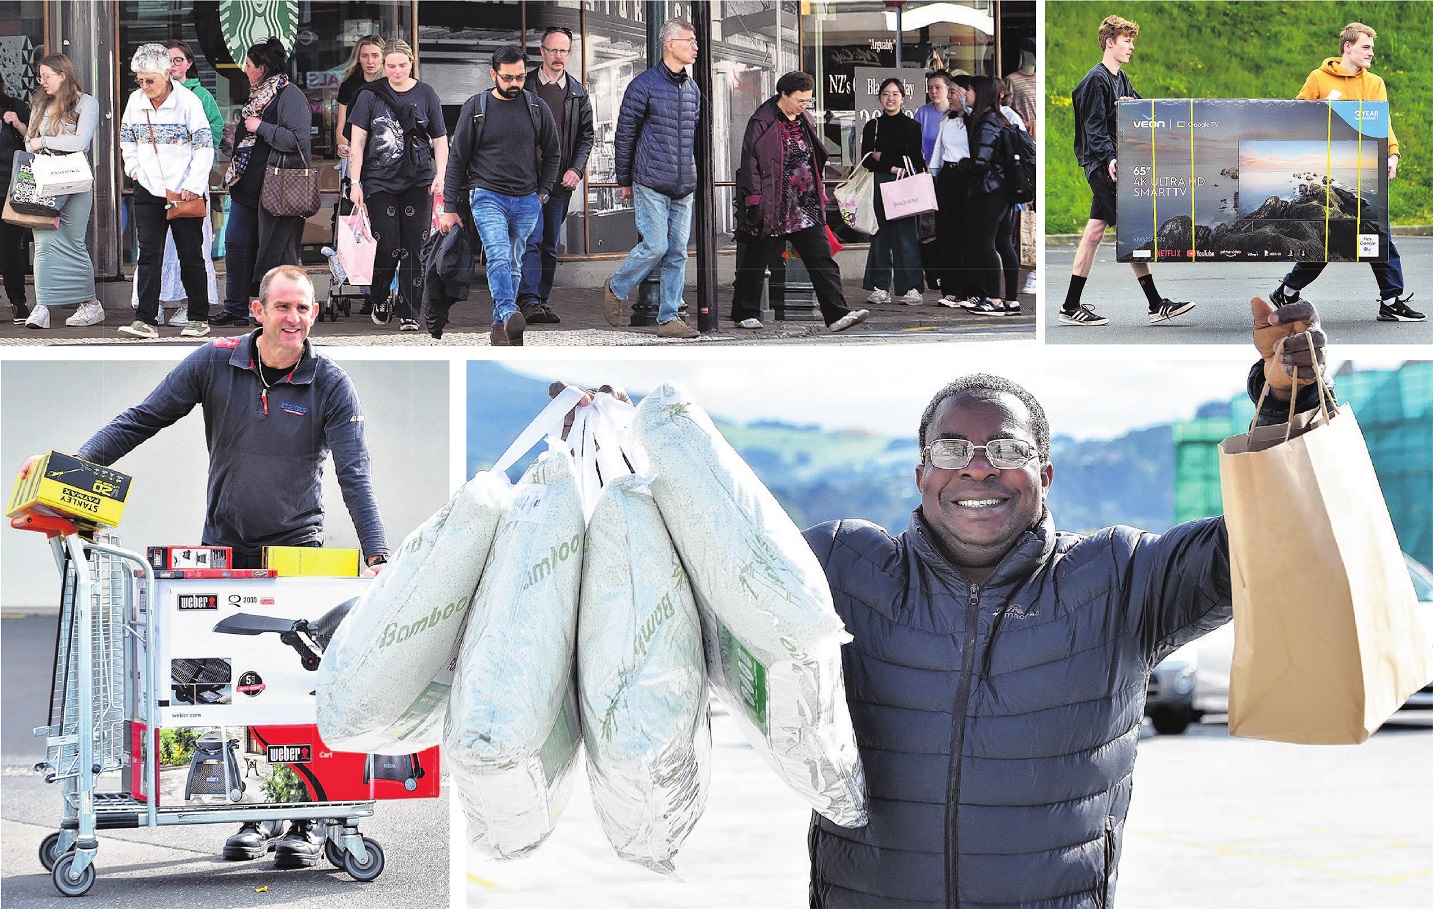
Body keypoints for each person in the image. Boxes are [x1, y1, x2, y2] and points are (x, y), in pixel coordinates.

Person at [804, 296, 1331, 907]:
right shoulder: (843, 567)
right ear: (921, 474)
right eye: (951, 451)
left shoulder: (1119, 577)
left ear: (1046, 476)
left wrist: (1291, 400)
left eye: (1007, 451)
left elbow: (1264, 536)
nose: (978, 471)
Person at [20, 264, 390, 868]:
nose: (293, 319)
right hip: (220, 543)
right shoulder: (214, 362)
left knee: (292, 684)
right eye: (283, 308)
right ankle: (252, 812)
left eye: (303, 309)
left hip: (295, 546)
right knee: (222, 685)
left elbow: (355, 472)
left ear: (313, 315)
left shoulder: (330, 383)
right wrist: (70, 471)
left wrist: (377, 554)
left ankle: (296, 823)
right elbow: (143, 418)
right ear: (258, 309)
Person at [1268, 22, 1422, 323]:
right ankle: (1288, 290)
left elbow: (1383, 123)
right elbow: (1296, 116)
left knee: (1376, 233)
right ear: (1347, 47)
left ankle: (1390, 300)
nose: (1371, 53)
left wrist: (1393, 153)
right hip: (1326, 170)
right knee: (1330, 238)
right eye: (1366, 47)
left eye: (1373, 48)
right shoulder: (1318, 78)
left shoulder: (1375, 83)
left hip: (1363, 165)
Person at [1062, 15, 1192, 327]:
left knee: (1094, 233)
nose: (1132, 46)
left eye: (1132, 41)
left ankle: (1070, 305)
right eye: (1127, 41)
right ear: (1110, 43)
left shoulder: (1120, 78)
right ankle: (1155, 304)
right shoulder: (1097, 80)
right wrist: (1110, 159)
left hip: (1113, 164)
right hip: (1103, 165)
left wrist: (1163, 117)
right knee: (1132, 230)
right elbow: (1094, 129)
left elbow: (1139, 109)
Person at [731, 71, 869, 334]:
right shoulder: (761, 121)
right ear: (783, 95)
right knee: (756, 260)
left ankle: (837, 314)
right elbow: (750, 165)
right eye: (800, 100)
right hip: (773, 204)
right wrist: (754, 200)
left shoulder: (805, 119)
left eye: (808, 101)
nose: (805, 106)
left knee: (821, 258)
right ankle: (744, 312)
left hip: (804, 204)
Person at [440, 45, 560, 348]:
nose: (514, 84)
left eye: (520, 77)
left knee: (515, 262)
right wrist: (450, 207)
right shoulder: (477, 107)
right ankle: (509, 311)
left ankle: (499, 327)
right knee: (498, 254)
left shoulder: (536, 107)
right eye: (507, 78)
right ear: (494, 74)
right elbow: (457, 159)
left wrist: (543, 193)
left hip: (527, 198)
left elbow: (553, 153)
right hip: (486, 195)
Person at [602, 17, 702, 340]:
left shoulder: (693, 90)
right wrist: (624, 179)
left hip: (684, 185)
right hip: (650, 181)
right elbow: (625, 134)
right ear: (671, 44)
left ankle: (669, 317)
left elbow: (692, 137)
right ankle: (616, 288)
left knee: (678, 252)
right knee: (656, 245)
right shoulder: (642, 86)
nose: (696, 47)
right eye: (691, 40)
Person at [348, 39, 449, 332]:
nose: (396, 71)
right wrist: (355, 182)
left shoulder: (426, 93)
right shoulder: (369, 95)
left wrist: (440, 175)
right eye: (390, 66)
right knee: (389, 245)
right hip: (379, 180)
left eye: (402, 65)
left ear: (412, 63)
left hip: (418, 179)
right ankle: (380, 296)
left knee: (414, 247)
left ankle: (409, 312)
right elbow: (358, 140)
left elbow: (440, 139)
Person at [212, 37, 312, 330]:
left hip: (277, 191)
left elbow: (297, 140)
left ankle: (269, 313)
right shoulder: (259, 95)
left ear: (263, 67)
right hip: (247, 188)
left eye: (249, 64)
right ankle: (234, 308)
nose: (244, 69)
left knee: (273, 254)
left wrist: (261, 127)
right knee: (237, 246)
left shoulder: (289, 96)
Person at [117, 43, 213, 339]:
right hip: (148, 188)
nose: (145, 86)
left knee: (190, 254)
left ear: (167, 74)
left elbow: (204, 146)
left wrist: (193, 186)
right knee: (149, 254)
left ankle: (198, 317)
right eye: (140, 80)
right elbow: (127, 141)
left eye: (150, 80)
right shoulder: (135, 101)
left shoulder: (189, 102)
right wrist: (134, 171)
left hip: (183, 190)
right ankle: (145, 318)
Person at [515, 26, 594, 326]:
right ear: (542, 52)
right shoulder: (525, 89)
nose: (558, 56)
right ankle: (529, 300)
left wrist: (577, 169)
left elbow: (587, 136)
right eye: (553, 50)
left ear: (569, 54)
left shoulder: (578, 92)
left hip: (561, 182)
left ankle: (540, 300)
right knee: (531, 240)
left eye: (564, 51)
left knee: (549, 243)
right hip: (529, 182)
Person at [22, 53, 102, 330]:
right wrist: (55, 141)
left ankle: (90, 304)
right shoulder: (40, 104)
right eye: (40, 76)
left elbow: (81, 141)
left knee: (72, 241)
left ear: (62, 75)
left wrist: (45, 140)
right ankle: (42, 305)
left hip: (75, 180)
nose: (42, 81)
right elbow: (28, 141)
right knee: (43, 241)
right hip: (44, 178)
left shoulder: (86, 103)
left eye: (46, 76)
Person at [860, 78, 926, 307]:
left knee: (907, 237)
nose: (890, 98)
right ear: (879, 97)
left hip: (905, 184)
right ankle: (880, 287)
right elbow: (867, 159)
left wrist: (884, 157)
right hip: (879, 183)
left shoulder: (912, 126)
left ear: (903, 98)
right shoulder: (872, 126)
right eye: (886, 93)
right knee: (880, 237)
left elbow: (915, 158)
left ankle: (913, 288)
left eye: (895, 94)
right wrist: (891, 165)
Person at [960, 74, 1021, 316]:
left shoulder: (986, 122)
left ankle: (994, 300)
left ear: (981, 94)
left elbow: (981, 163)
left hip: (989, 190)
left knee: (986, 244)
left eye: (970, 90)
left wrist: (963, 164)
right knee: (1004, 243)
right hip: (1003, 190)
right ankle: (1011, 301)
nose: (965, 94)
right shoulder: (1000, 118)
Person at [334, 34, 385, 314]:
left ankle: (382, 290)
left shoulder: (390, 84)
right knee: (359, 228)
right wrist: (342, 146)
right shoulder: (350, 86)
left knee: (382, 227)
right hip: (355, 164)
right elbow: (341, 128)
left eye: (375, 56)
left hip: (383, 164)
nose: (369, 61)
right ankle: (366, 288)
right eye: (365, 55)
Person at [931, 73, 973, 308]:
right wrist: (932, 176)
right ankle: (951, 290)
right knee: (945, 234)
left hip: (967, 176)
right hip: (947, 176)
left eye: (954, 91)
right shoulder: (946, 120)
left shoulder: (976, 120)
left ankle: (969, 289)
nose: (950, 96)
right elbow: (938, 151)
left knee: (967, 234)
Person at [912, 71, 954, 296]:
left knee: (946, 225)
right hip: (926, 176)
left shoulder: (954, 114)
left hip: (948, 176)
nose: (933, 92)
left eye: (938, 87)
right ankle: (933, 273)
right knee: (927, 227)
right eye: (930, 87)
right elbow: (915, 144)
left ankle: (947, 272)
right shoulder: (923, 113)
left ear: (948, 89)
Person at [1, 80, 32, 324]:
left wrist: (18, 124)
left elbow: (35, 140)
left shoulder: (15, 107)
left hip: (10, 187)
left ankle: (18, 301)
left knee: (9, 248)